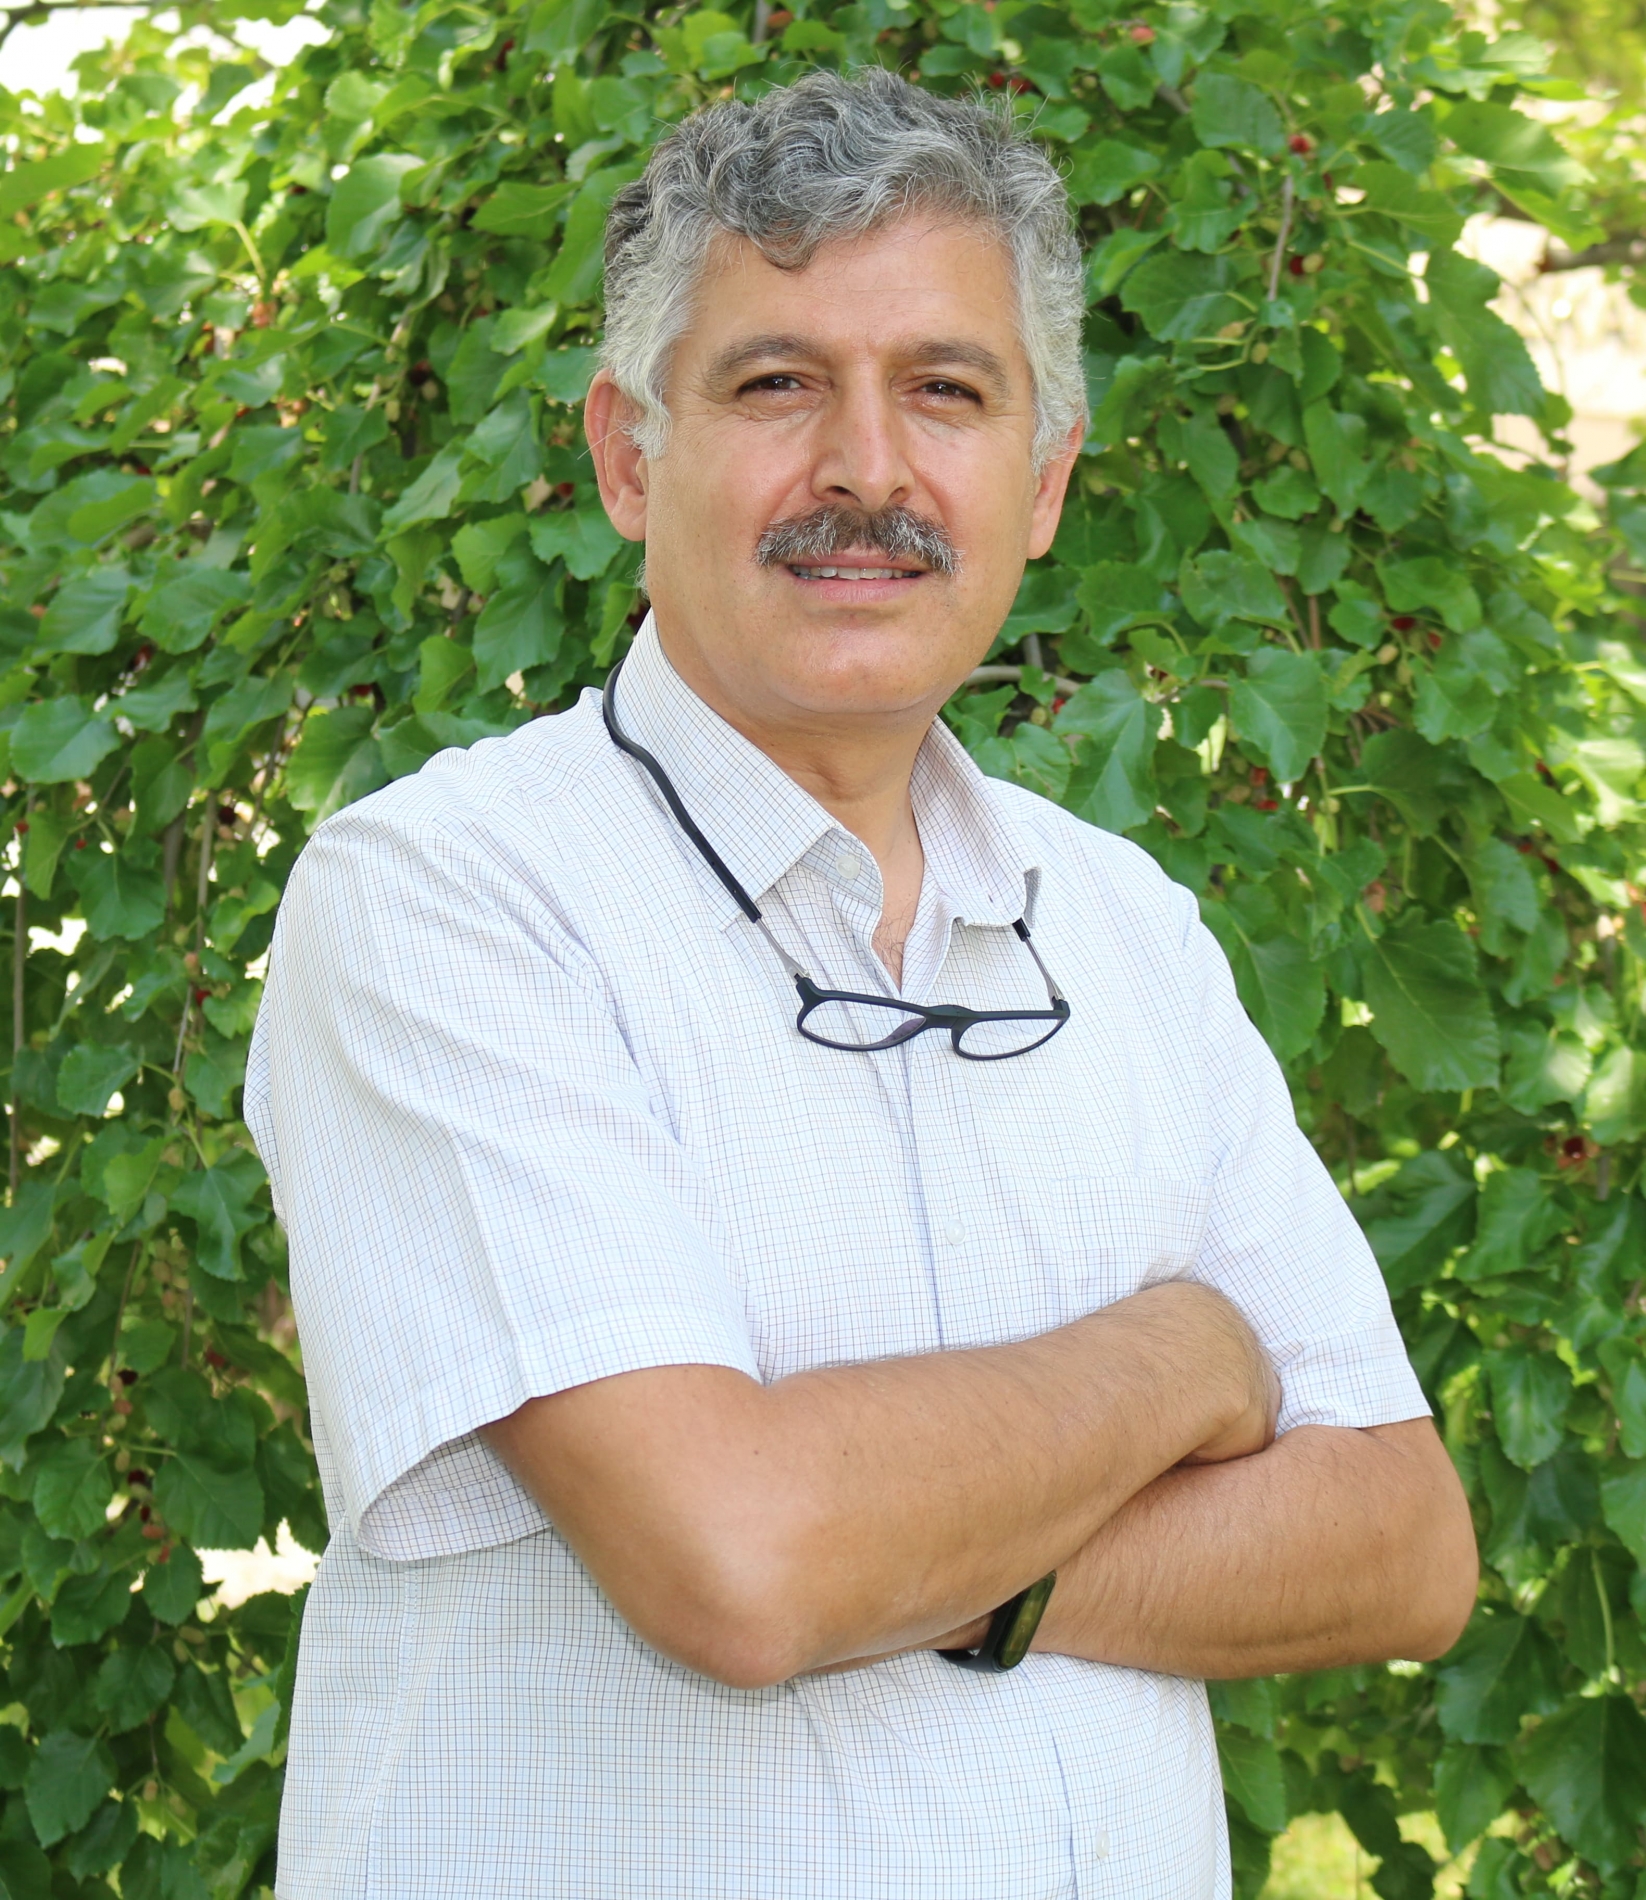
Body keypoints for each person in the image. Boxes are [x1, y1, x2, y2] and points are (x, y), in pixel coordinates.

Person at [247, 67, 1477, 1900]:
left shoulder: (1125, 926)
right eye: (775, 383)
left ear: (1043, 481)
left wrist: (937, 1560)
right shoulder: (448, 900)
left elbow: (1400, 1547)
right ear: (624, 455)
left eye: (946, 391)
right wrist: (1184, 1355)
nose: (867, 471)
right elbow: (742, 1566)